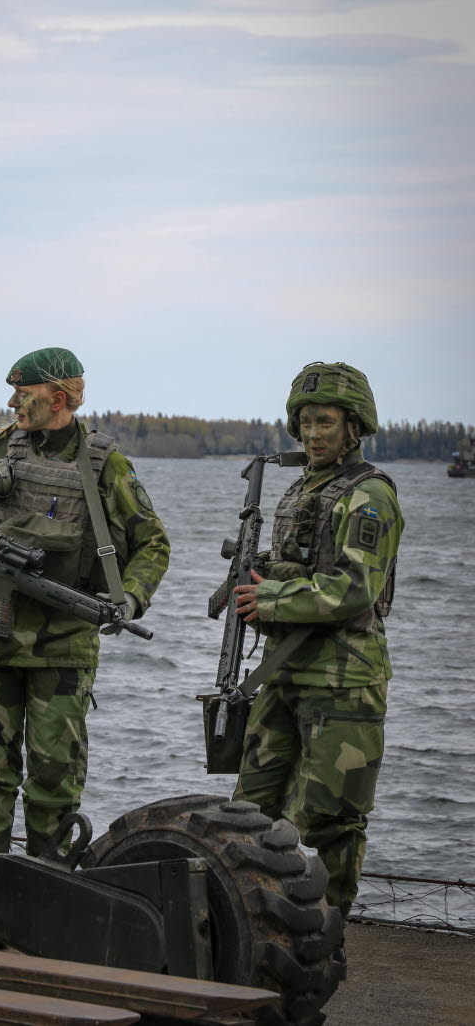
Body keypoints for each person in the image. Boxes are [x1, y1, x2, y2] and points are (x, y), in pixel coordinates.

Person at [0, 347, 170, 872]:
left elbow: (153, 543)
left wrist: (129, 598)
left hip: (62, 647)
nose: (12, 404)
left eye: (24, 395)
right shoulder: (3, 449)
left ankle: (49, 890)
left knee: (56, 781)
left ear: (58, 399)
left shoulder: (105, 464)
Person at [231, 361, 404, 958]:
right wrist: (255, 576)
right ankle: (254, 932)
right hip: (286, 672)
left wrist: (270, 596)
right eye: (304, 422)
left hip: (344, 680)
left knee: (329, 822)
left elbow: (353, 589)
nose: (312, 434)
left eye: (325, 421)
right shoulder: (304, 487)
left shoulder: (370, 496)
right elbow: (307, 567)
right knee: (250, 811)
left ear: (354, 426)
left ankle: (320, 949)